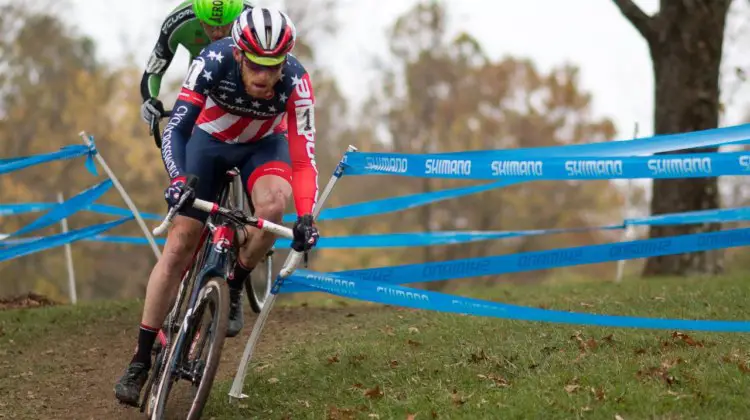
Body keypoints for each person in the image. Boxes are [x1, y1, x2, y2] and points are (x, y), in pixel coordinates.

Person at [114, 7, 320, 407]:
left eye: (273, 66)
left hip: (264, 146)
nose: (265, 76)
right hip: (208, 141)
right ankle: (139, 359)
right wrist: (178, 182)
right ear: (240, 54)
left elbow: (303, 158)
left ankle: (236, 282)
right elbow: (177, 127)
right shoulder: (212, 61)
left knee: (275, 207)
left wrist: (307, 215)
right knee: (179, 245)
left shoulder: (297, 81)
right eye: (256, 65)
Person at [140, 0, 253, 128]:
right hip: (200, 85)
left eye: (225, 25)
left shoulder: (251, 18)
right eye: (211, 25)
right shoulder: (178, 21)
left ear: (234, 18)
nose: (218, 32)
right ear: (200, 19)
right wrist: (149, 100)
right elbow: (153, 71)